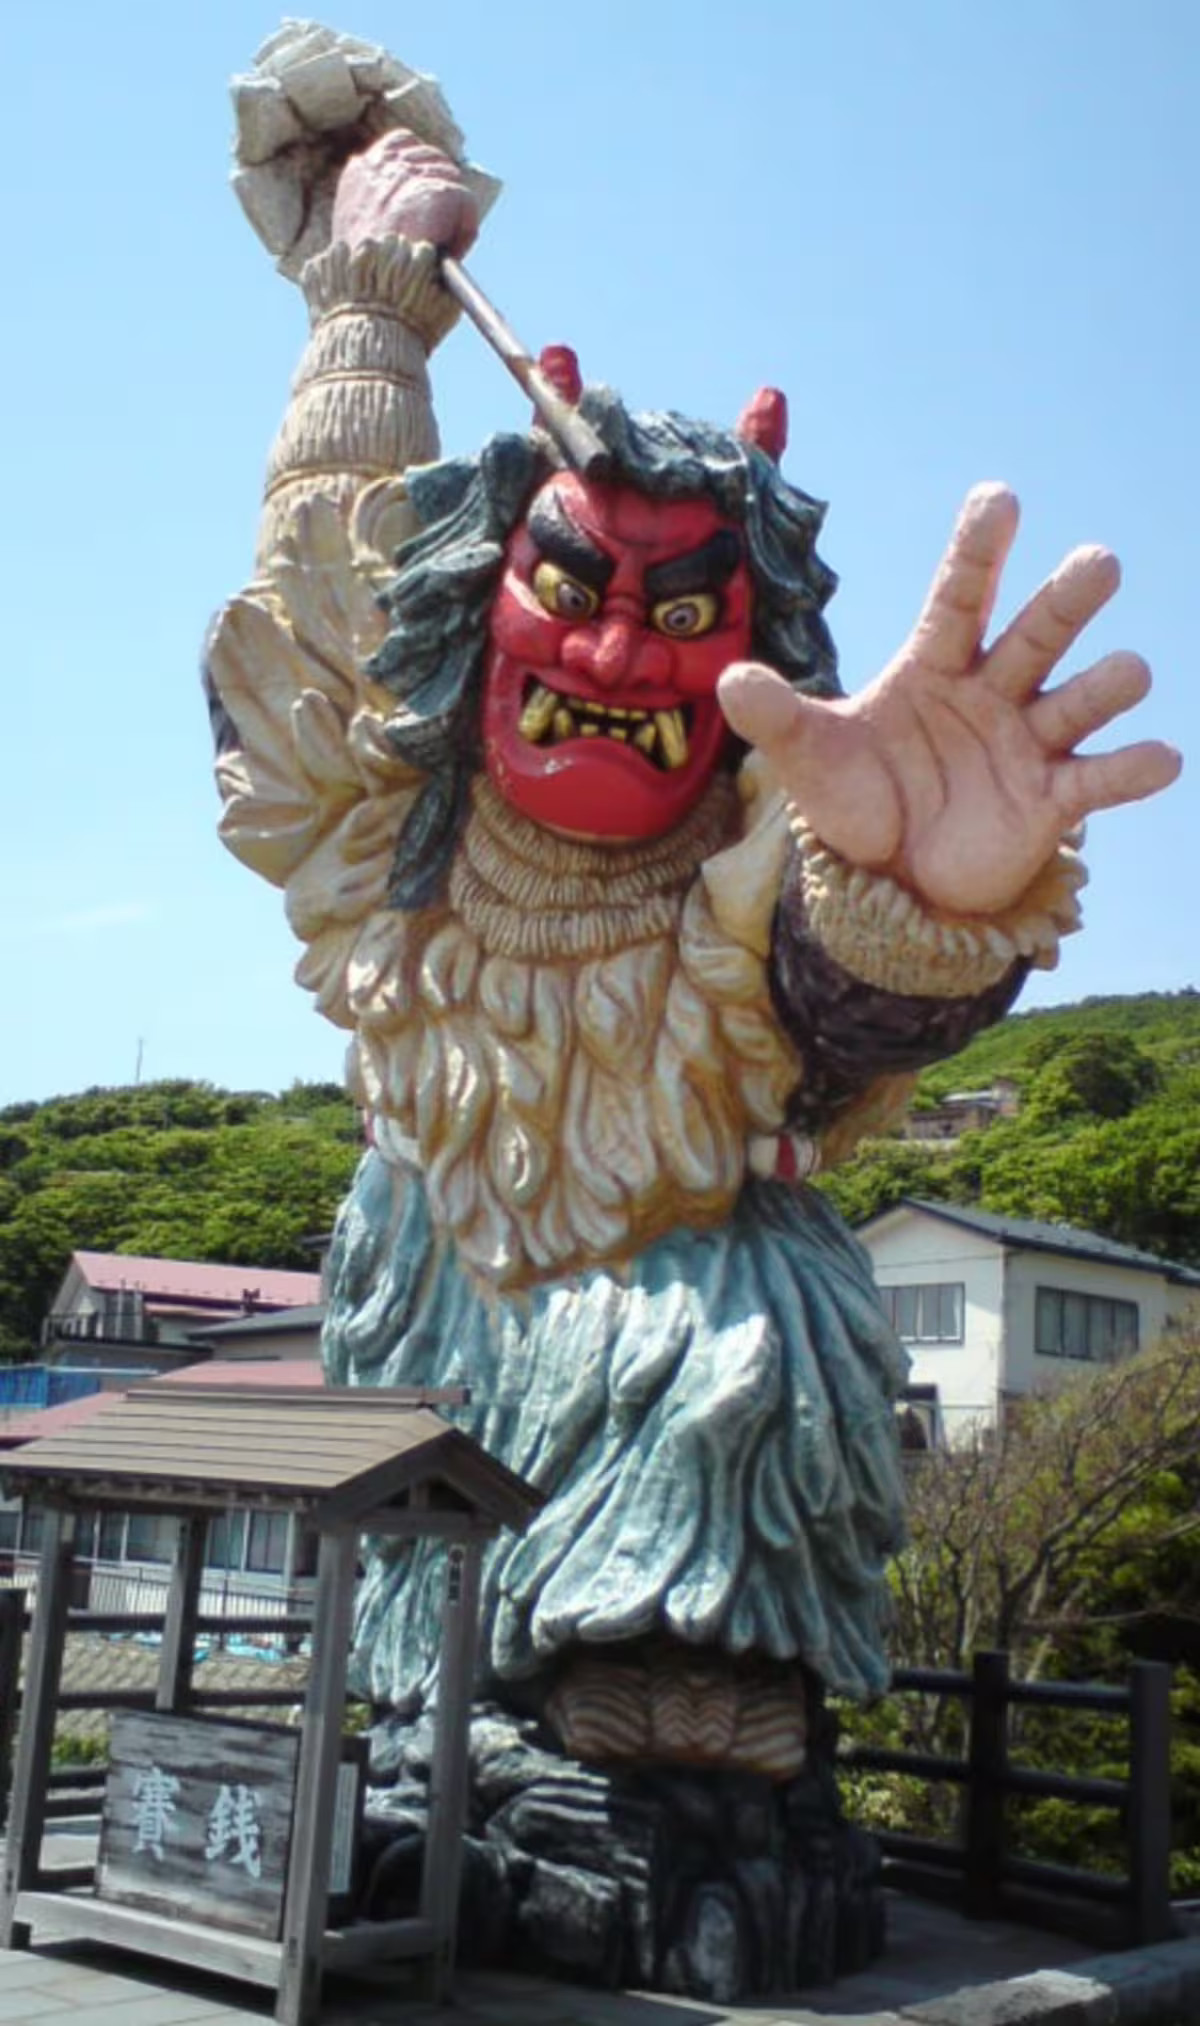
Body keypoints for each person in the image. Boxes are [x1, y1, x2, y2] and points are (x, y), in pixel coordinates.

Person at [207, 99, 1179, 1781]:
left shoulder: (750, 854)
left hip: (673, 1288)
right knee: (413, 1464)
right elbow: (321, 599)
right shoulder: (399, 810)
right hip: (443, 1266)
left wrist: (925, 892)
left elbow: (831, 996)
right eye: (572, 590)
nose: (616, 657)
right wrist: (365, 312)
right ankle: (442, 1693)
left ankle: (672, 1674)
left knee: (756, 1327)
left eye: (680, 619)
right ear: (484, 594)